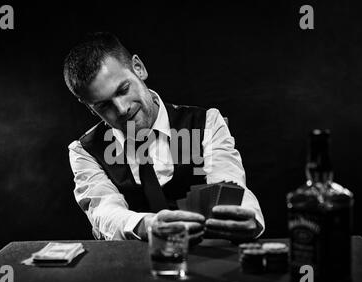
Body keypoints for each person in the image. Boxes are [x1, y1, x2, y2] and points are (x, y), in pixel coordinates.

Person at [64, 32, 264, 244]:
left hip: (205, 259)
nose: (122, 109)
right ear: (90, 108)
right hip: (129, 266)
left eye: (123, 89)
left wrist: (246, 215)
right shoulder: (85, 150)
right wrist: (147, 226)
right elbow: (104, 211)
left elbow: (228, 183)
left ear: (138, 68)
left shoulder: (205, 123)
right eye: (104, 105)